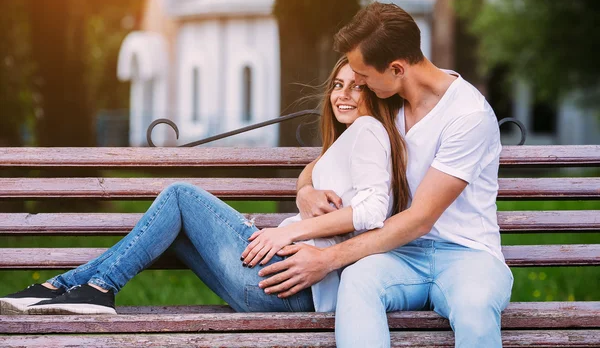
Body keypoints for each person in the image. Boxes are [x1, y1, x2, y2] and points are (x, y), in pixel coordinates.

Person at [0, 56, 410, 317]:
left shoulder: (370, 130)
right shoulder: (347, 141)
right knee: (171, 229)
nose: (343, 95)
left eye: (356, 86)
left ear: (375, 91)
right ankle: (68, 287)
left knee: (179, 194)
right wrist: (304, 192)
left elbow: (374, 212)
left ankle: (93, 287)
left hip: (288, 284)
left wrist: (290, 229)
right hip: (273, 287)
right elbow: (314, 175)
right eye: (338, 85)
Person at [255, 2, 514, 348]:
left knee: (475, 307)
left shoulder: (467, 115)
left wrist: (326, 259)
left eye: (362, 75)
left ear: (396, 68)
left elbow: (420, 219)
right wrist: (305, 191)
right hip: (400, 256)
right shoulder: (385, 101)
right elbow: (322, 162)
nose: (356, 82)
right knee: (358, 281)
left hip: (467, 255)